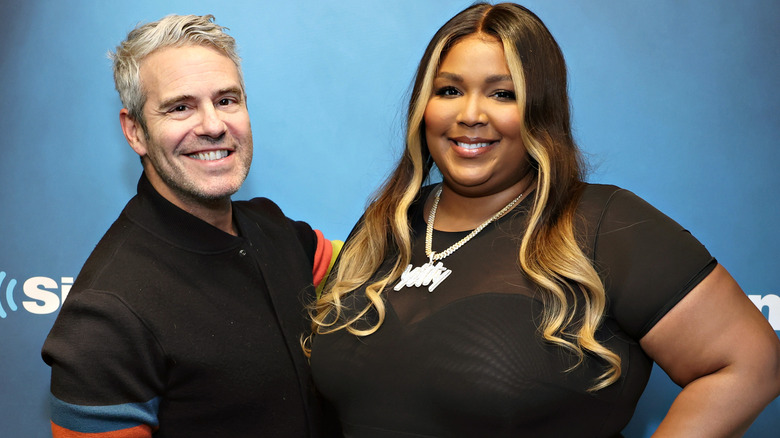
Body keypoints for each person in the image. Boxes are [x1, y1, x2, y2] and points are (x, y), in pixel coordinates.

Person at [307, 3, 780, 437]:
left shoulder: (604, 224)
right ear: (422, 107)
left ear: (541, 109)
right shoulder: (383, 224)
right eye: (449, 90)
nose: (471, 114)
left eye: (503, 94)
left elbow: (750, 363)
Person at [42, 14, 339, 438]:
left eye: (227, 100)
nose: (214, 125)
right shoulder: (105, 316)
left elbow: (381, 269)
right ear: (135, 132)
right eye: (180, 107)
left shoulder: (279, 232)